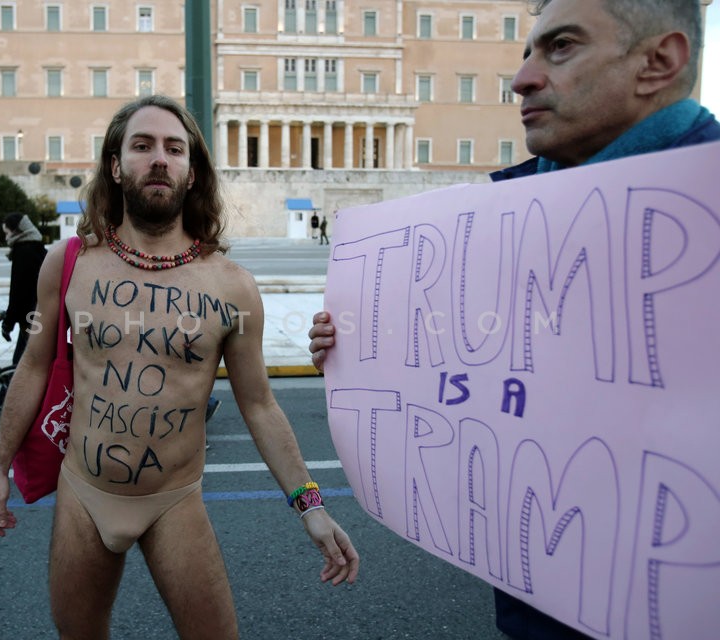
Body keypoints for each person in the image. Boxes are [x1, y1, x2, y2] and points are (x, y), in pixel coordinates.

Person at [308, 1, 719, 638]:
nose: (521, 78)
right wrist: (360, 350)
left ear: (658, 62)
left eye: (560, 48)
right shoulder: (505, 210)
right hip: (540, 609)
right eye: (527, 51)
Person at [0, 94, 359, 638]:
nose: (159, 158)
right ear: (115, 165)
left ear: (192, 169)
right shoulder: (69, 263)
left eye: (174, 148)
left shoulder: (233, 287)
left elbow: (259, 405)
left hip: (174, 502)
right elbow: (34, 367)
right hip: (83, 495)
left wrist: (310, 505)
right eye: (142, 145)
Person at [1, 212, 47, 366]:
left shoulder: (23, 251)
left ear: (17, 231)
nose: (6, 238)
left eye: (7, 233)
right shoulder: (37, 247)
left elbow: (17, 292)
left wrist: (8, 323)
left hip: (29, 317)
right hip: (41, 313)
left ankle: (12, 389)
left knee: (21, 363)